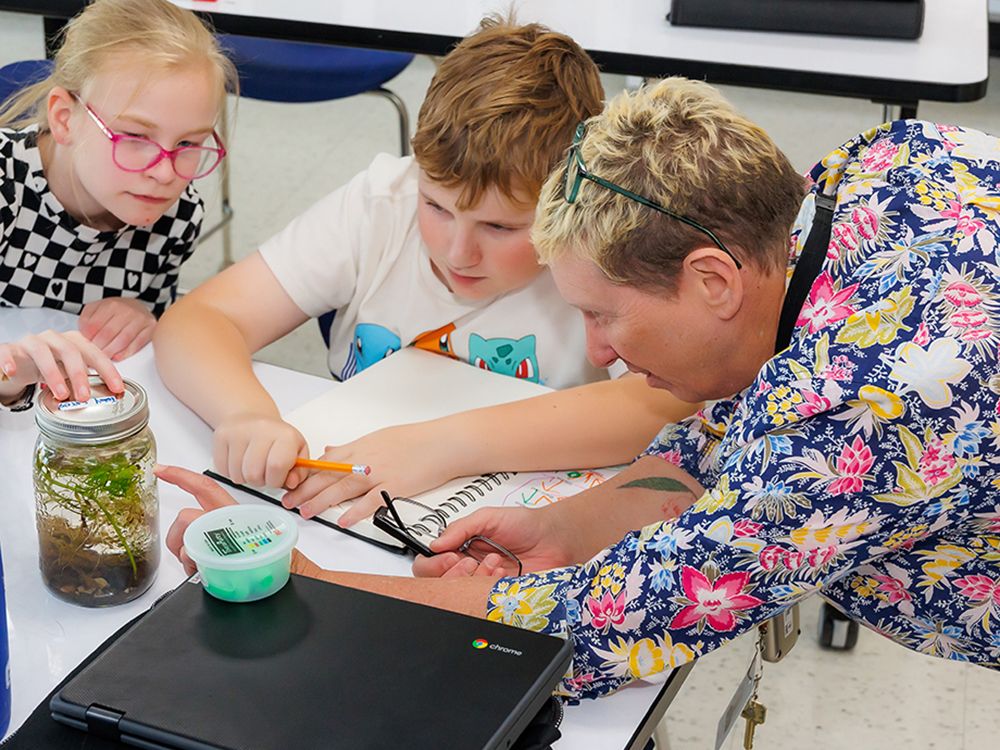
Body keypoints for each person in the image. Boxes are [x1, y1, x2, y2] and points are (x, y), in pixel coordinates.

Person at [164, 76, 1000, 701]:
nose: (600, 349)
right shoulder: (880, 168)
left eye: (607, 316)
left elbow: (607, 628)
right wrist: (569, 524)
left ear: (713, 281)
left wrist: (312, 587)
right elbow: (739, 435)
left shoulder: (880, 395)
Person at [154, 17, 694, 499]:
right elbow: (200, 320)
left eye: (500, 226)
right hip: (362, 504)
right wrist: (244, 414)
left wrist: (448, 445)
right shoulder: (379, 206)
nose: (457, 251)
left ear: (566, 201)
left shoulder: (601, 243)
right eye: (434, 206)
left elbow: (669, 403)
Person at [0, 0, 236, 392]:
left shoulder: (177, 215)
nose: (164, 172)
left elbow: (152, 327)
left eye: (188, 143)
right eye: (135, 137)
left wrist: (142, 314)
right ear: (63, 119)